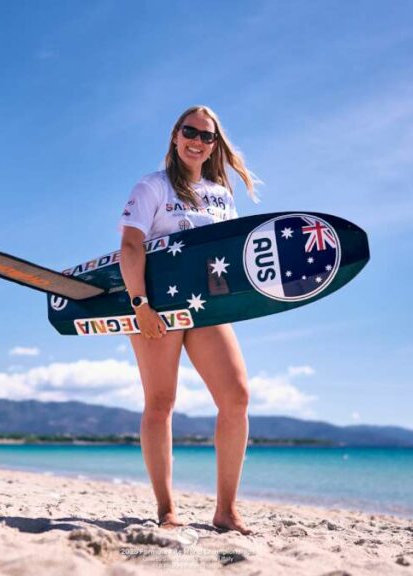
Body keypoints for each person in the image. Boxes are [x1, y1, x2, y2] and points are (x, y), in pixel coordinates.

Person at [118, 105, 257, 535]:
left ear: (215, 144)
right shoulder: (152, 186)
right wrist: (140, 303)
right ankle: (166, 509)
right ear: (175, 136)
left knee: (236, 398)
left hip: (207, 307)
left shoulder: (221, 194)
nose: (197, 140)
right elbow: (130, 246)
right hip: (156, 305)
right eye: (189, 131)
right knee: (161, 402)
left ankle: (226, 511)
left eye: (206, 135)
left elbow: (229, 255)